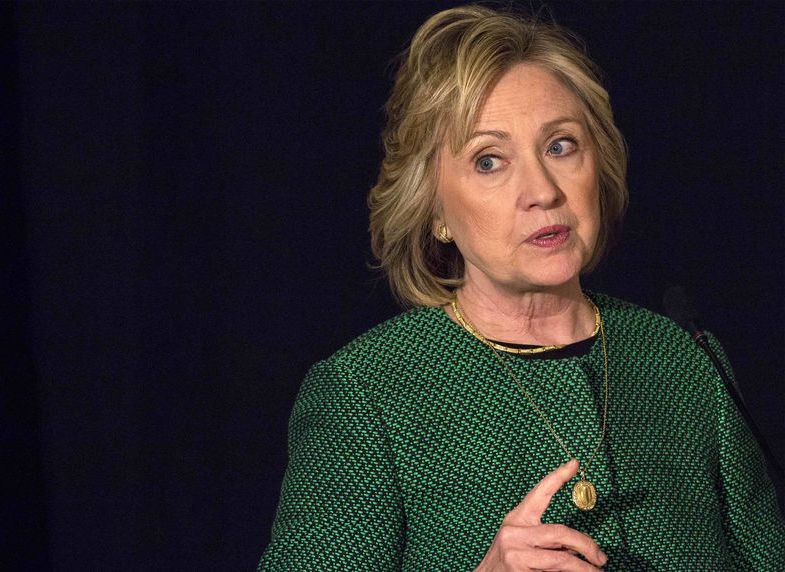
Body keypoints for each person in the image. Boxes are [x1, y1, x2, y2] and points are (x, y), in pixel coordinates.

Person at [258, 5, 785, 570]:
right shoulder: (366, 393)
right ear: (434, 211)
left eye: (561, 146)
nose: (542, 190)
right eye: (489, 161)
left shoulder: (685, 360)